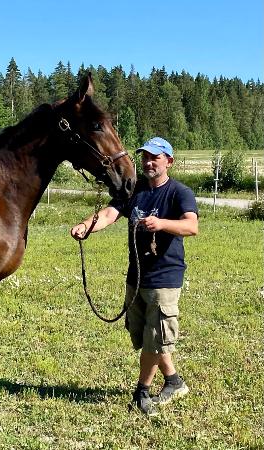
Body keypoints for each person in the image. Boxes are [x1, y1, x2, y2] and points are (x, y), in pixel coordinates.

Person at [70, 137, 198, 416]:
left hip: (164, 278)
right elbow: (110, 213)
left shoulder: (179, 192)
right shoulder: (135, 190)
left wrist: (161, 223)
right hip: (136, 277)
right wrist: (86, 225)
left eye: (155, 157)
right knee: (146, 336)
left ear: (169, 161)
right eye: (145, 157)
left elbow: (191, 226)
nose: (149, 162)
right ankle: (174, 381)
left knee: (155, 337)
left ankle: (141, 391)